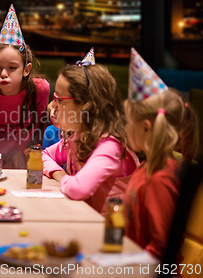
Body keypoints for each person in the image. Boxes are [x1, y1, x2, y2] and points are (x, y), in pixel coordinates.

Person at [123, 59, 199, 258]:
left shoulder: (160, 180)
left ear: (146, 127)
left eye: (129, 122)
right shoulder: (147, 167)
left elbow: (160, 250)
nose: (125, 128)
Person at [42, 63, 139, 214]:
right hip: (86, 219)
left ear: (85, 105)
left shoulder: (111, 146)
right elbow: (44, 155)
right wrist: (59, 173)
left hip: (113, 232)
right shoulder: (77, 136)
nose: (54, 106)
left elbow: (77, 189)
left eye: (60, 99)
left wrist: (64, 179)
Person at [0, 5, 50, 169]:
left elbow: (35, 123)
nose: (3, 74)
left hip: (16, 153)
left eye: (12, 68)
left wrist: (18, 150)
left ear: (26, 70)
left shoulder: (40, 89)